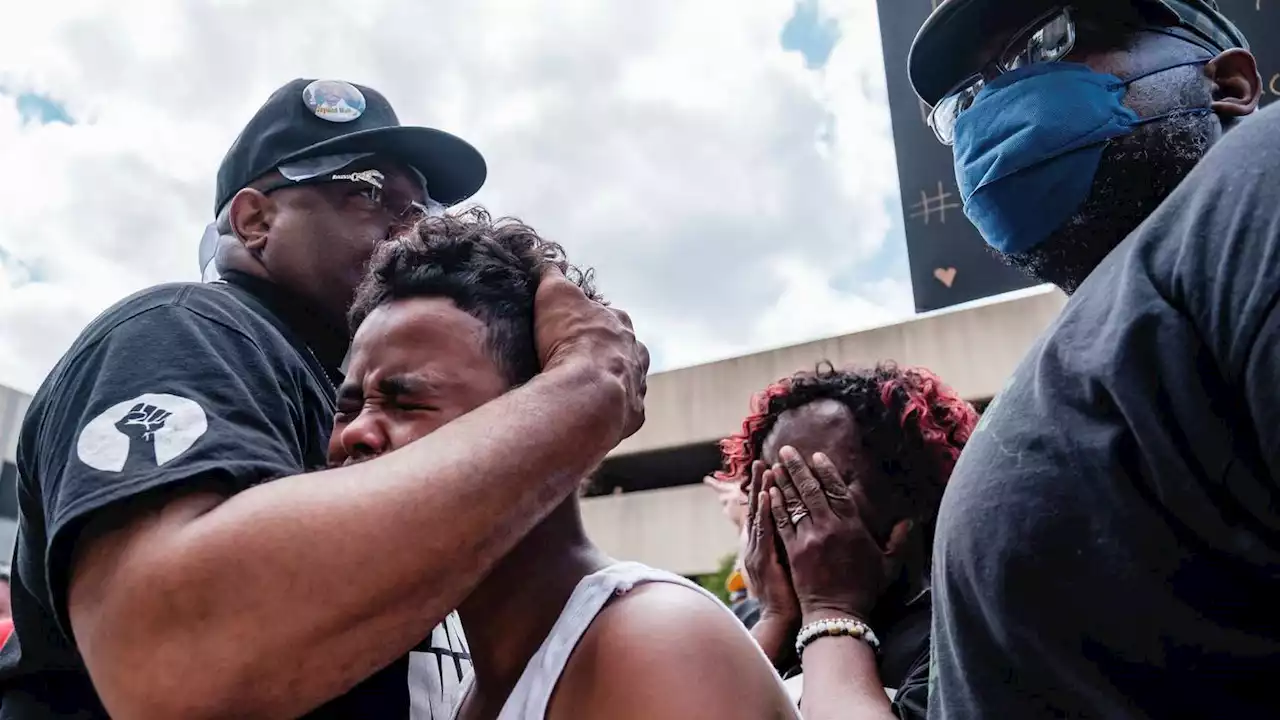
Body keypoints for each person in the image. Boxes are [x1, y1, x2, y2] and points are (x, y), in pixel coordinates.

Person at [0, 78, 648, 719]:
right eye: (367, 191)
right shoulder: (183, 333)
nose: (410, 223)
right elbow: (173, 659)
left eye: (423, 206)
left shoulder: (341, 386)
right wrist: (585, 391)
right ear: (255, 220)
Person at [910, 1, 1280, 717]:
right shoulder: (1061, 363)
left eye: (1048, 42)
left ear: (1227, 85)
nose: (999, 98)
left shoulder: (1255, 177)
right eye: (968, 99)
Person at [331, 208, 799, 720]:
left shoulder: (651, 642)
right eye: (348, 407)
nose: (354, 432)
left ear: (554, 422)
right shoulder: (480, 679)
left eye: (408, 402)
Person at [720, 363, 976, 720]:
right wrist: (774, 622)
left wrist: (830, 609)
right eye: (775, 489)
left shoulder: (958, 637)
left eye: (820, 486)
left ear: (911, 502)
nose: (792, 512)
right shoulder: (741, 623)